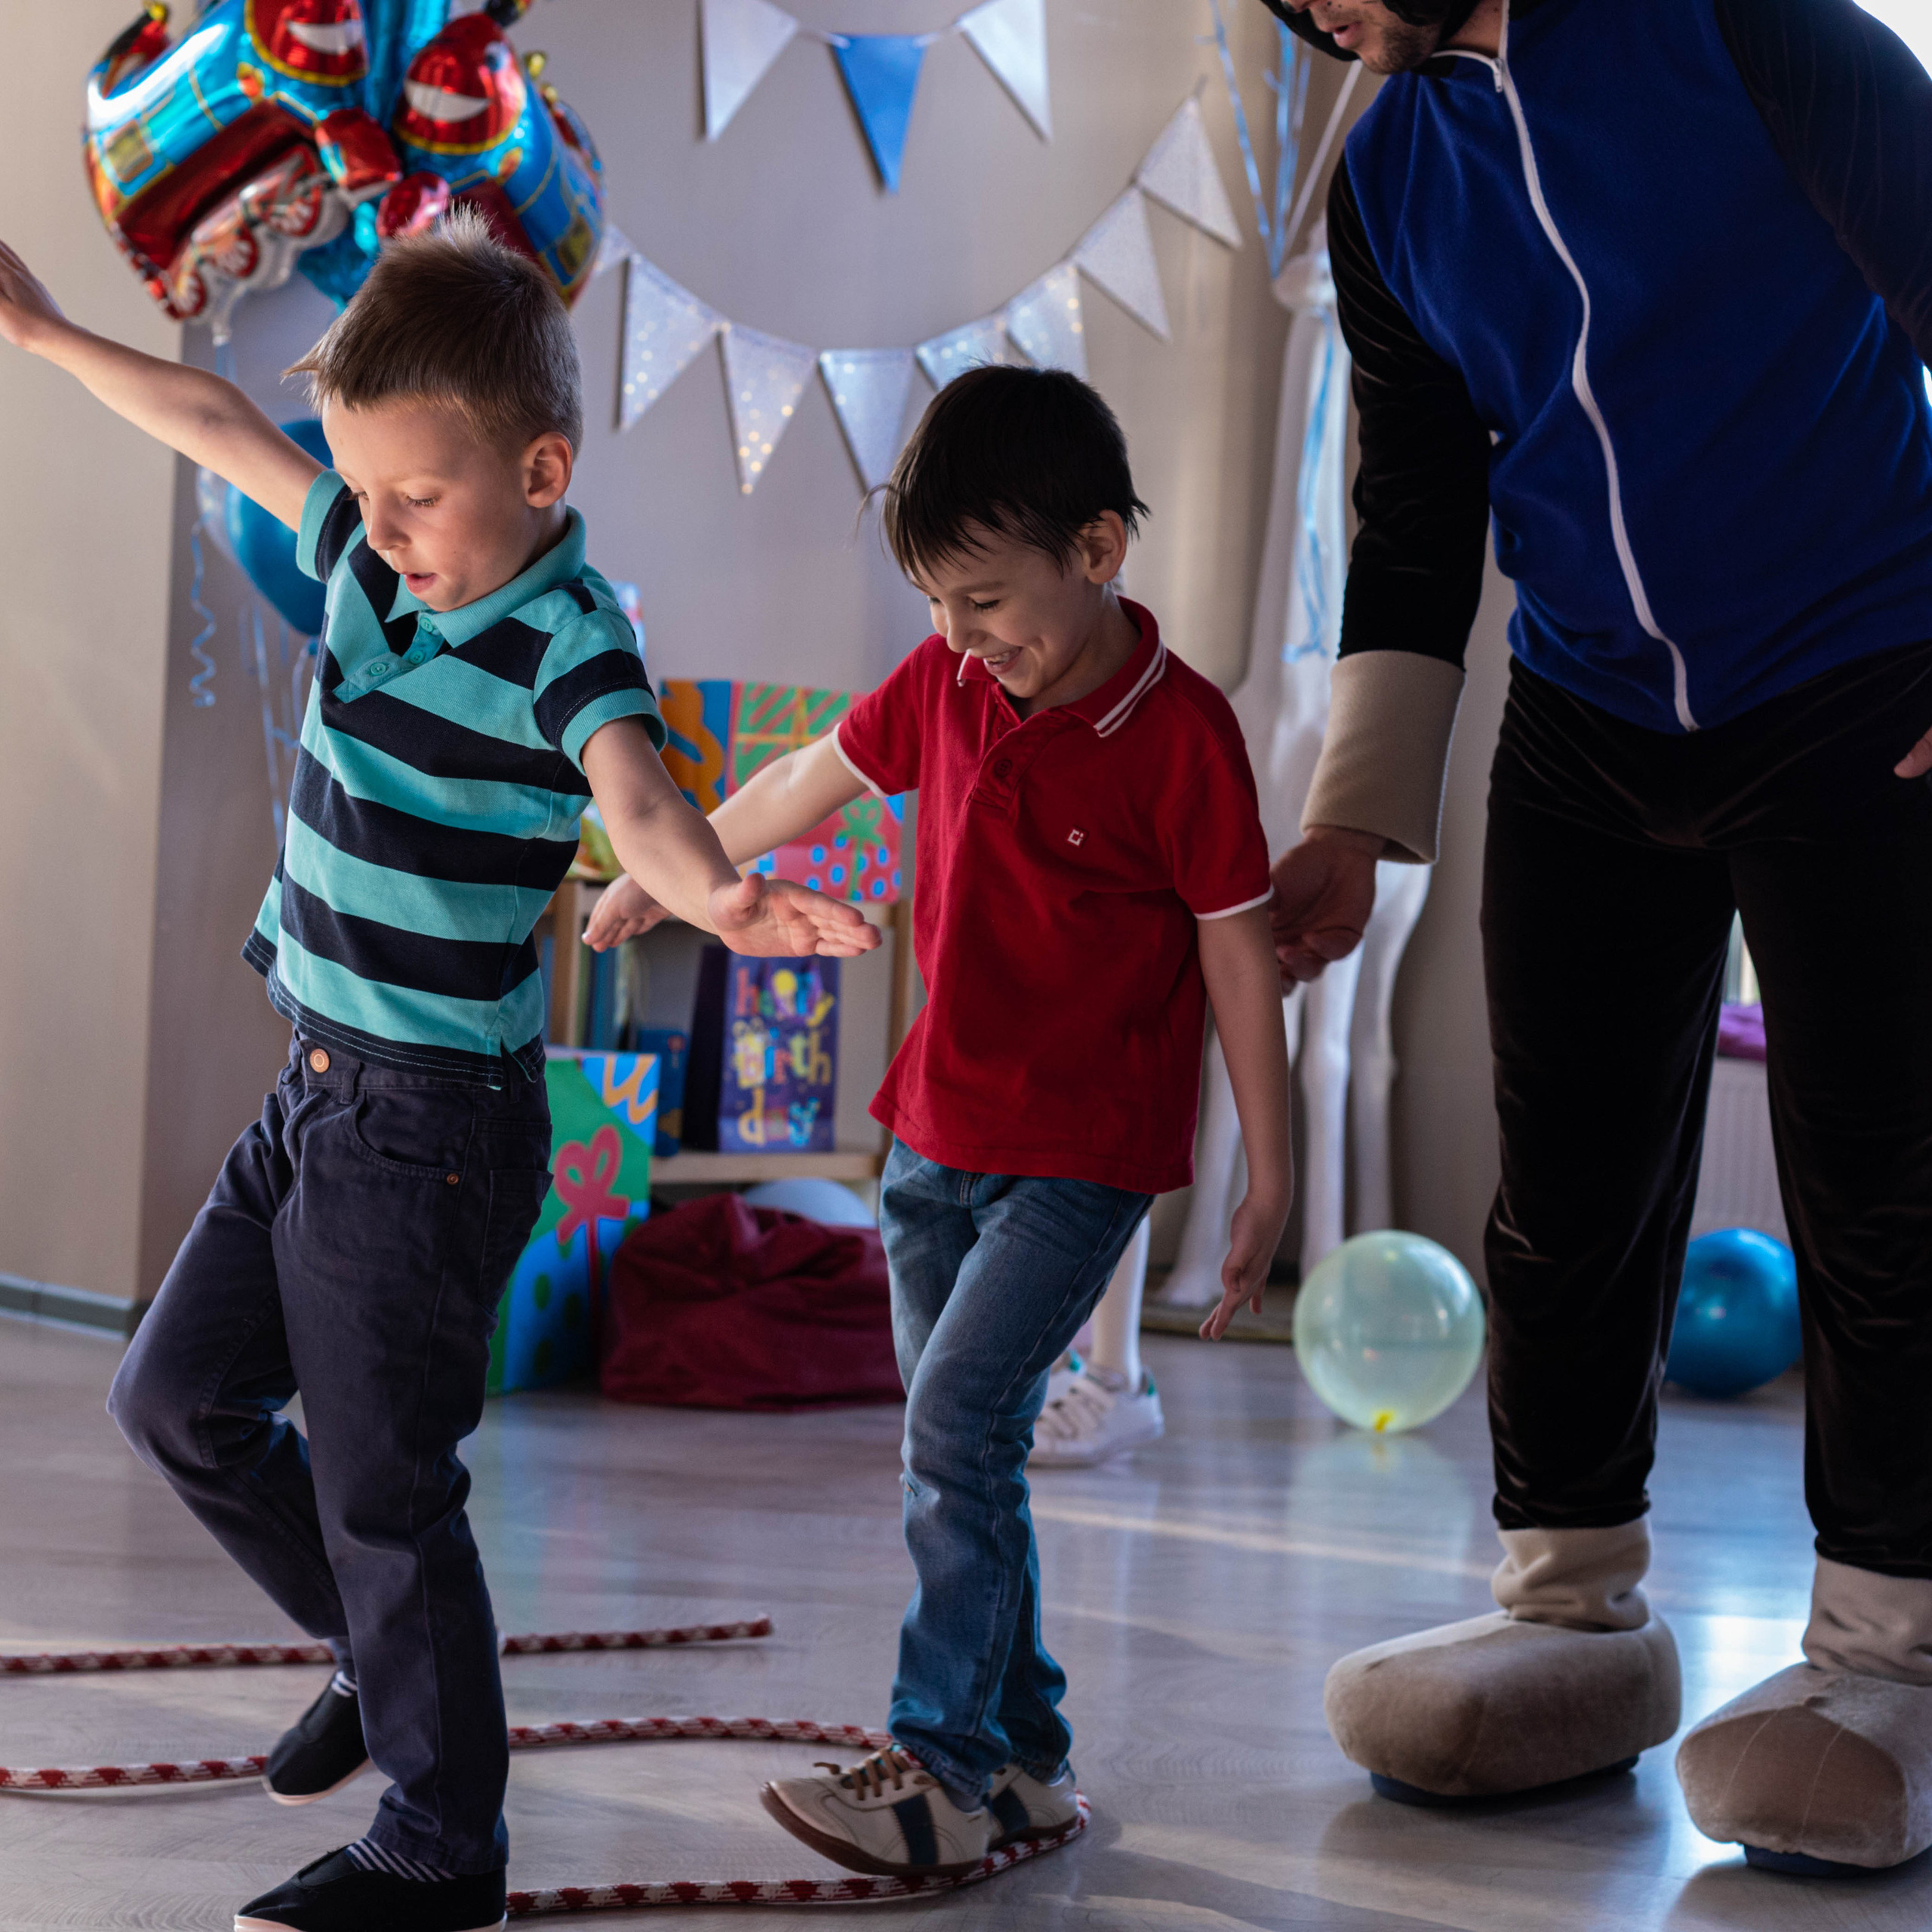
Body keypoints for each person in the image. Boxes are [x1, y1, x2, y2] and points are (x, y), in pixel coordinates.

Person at [0, 214, 875, 1932]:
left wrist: (712, 890)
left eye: (417, 496)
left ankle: (438, 1840)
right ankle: (362, 1642)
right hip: (313, 1088)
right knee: (174, 1398)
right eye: (364, 491)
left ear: (539, 469)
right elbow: (213, 425)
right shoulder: (363, 553)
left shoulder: (564, 643)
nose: (381, 532)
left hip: (430, 1129)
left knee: (389, 1485)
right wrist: (39, 339)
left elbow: (634, 794)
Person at [1260, 0, 1932, 1876]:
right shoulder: (1386, 167)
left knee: (1880, 1176)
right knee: (1561, 1181)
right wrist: (1351, 817)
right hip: (1584, 709)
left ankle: (1889, 1647)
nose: (1325, 15)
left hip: (1858, 667)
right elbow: (1411, 509)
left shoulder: (1744, 29)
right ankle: (1566, 1610)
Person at [586, 364, 1293, 1876]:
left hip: (1082, 1152)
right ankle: (1027, 1756)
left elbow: (1240, 950)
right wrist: (677, 874)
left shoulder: (1183, 737)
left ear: (1095, 551)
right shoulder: (949, 686)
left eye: (981, 597)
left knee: (956, 1425)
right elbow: (804, 778)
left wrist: (1269, 1166)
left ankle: (942, 1763)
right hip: (928, 1139)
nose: (957, 634)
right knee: (957, 1444)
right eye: (933, 600)